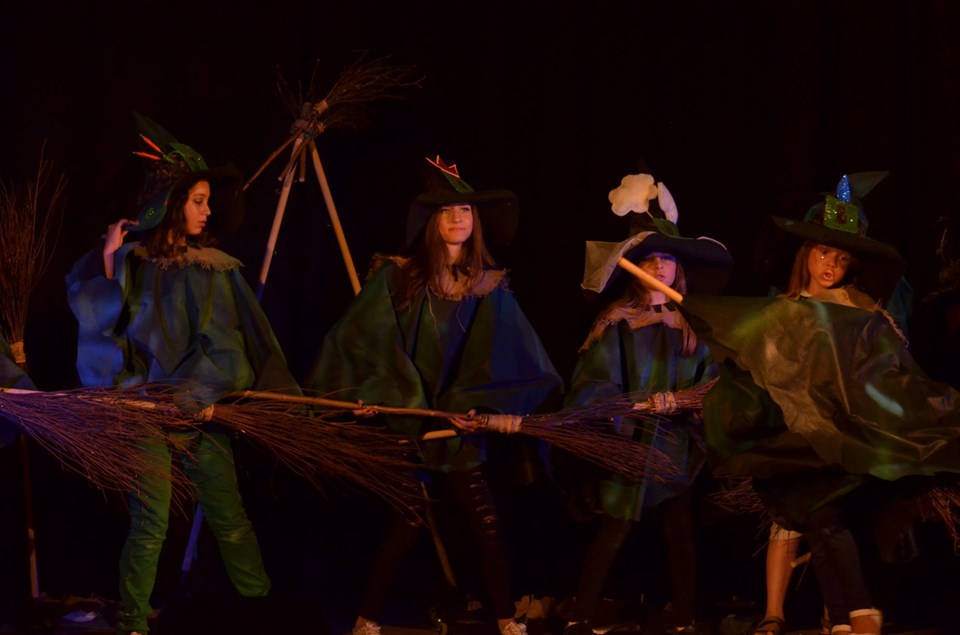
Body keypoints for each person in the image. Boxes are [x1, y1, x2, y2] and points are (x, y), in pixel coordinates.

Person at [309, 156, 563, 635]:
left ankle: (506, 620)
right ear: (431, 221)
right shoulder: (399, 277)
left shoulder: (488, 288)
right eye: (446, 211)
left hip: (458, 424)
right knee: (406, 525)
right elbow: (362, 340)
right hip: (410, 420)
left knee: (486, 525)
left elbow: (511, 357)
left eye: (464, 211)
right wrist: (373, 392)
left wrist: (478, 406)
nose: (456, 219)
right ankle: (366, 620)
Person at [66, 113, 299, 635]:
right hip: (143, 412)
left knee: (228, 515)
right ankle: (132, 621)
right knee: (150, 520)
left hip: (198, 410)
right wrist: (109, 261)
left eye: (207, 200)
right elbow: (104, 336)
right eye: (197, 199)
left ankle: (261, 614)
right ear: (172, 203)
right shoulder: (132, 263)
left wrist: (191, 396)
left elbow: (224, 344)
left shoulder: (211, 268)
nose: (207, 209)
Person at [702, 173, 925, 635]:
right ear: (806, 254)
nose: (830, 266)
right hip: (794, 435)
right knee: (815, 517)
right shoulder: (785, 309)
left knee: (826, 516)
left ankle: (860, 611)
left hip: (839, 433)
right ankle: (841, 619)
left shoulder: (859, 310)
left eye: (841, 259)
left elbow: (882, 365)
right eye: (823, 253)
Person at [563, 173, 733, 634]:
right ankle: (581, 615)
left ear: (680, 269)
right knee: (614, 528)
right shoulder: (617, 321)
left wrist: (691, 405)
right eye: (651, 259)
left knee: (680, 530)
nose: (659, 267)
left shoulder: (693, 325)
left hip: (676, 445)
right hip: (630, 443)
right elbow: (595, 378)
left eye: (668, 259)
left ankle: (684, 616)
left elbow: (711, 382)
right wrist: (616, 409)